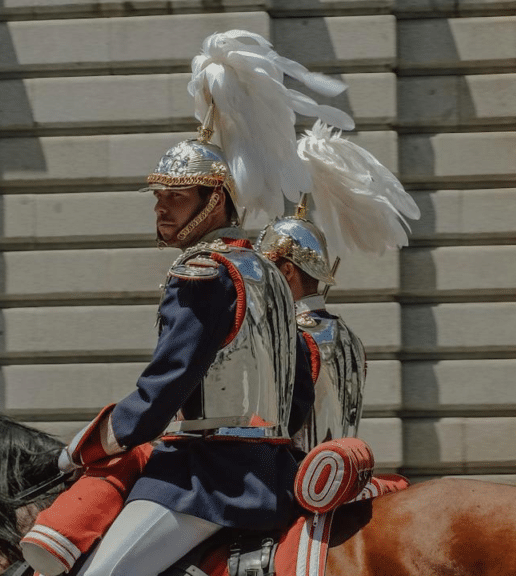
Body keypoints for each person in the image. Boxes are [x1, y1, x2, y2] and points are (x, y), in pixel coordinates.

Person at [21, 29, 353, 576]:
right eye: (158, 199)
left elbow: (165, 386)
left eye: (176, 199)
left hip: (208, 478)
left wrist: (81, 448)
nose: (162, 212)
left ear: (214, 199)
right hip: (268, 472)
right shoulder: (266, 272)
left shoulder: (203, 272)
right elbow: (294, 391)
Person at [257, 201, 367, 453]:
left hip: (297, 480)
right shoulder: (349, 336)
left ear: (286, 271)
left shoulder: (291, 336)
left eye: (266, 272)